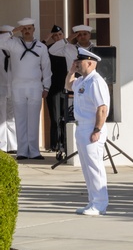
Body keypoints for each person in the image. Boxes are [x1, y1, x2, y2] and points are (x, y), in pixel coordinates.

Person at [0, 18, 52, 160]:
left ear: (34, 29)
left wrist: (46, 86)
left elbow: (47, 68)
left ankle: (34, 151)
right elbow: (0, 42)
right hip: (18, 86)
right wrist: (13, 31)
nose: (27, 31)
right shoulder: (14, 43)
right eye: (24, 29)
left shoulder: (41, 47)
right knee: (20, 119)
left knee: (34, 119)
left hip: (35, 86)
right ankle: (22, 151)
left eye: (29, 28)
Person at [70, 47, 110, 216]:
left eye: (80, 62)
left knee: (95, 167)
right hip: (81, 126)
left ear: (90, 63)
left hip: (91, 126)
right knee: (87, 168)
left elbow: (102, 108)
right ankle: (92, 201)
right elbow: (68, 85)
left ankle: (100, 204)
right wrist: (71, 71)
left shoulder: (96, 81)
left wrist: (97, 130)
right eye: (77, 62)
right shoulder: (82, 80)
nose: (78, 64)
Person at [43, 25, 70, 154]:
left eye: (60, 35)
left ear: (63, 35)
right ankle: (54, 145)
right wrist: (46, 38)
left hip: (66, 87)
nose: (58, 38)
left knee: (66, 117)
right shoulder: (49, 50)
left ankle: (65, 143)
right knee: (55, 117)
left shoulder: (69, 48)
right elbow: (39, 50)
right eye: (55, 36)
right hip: (53, 87)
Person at [0, 24, 15, 154]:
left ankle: (13, 145)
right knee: (1, 117)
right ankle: (2, 145)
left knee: (12, 117)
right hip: (1, 86)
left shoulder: (15, 49)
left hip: (14, 87)